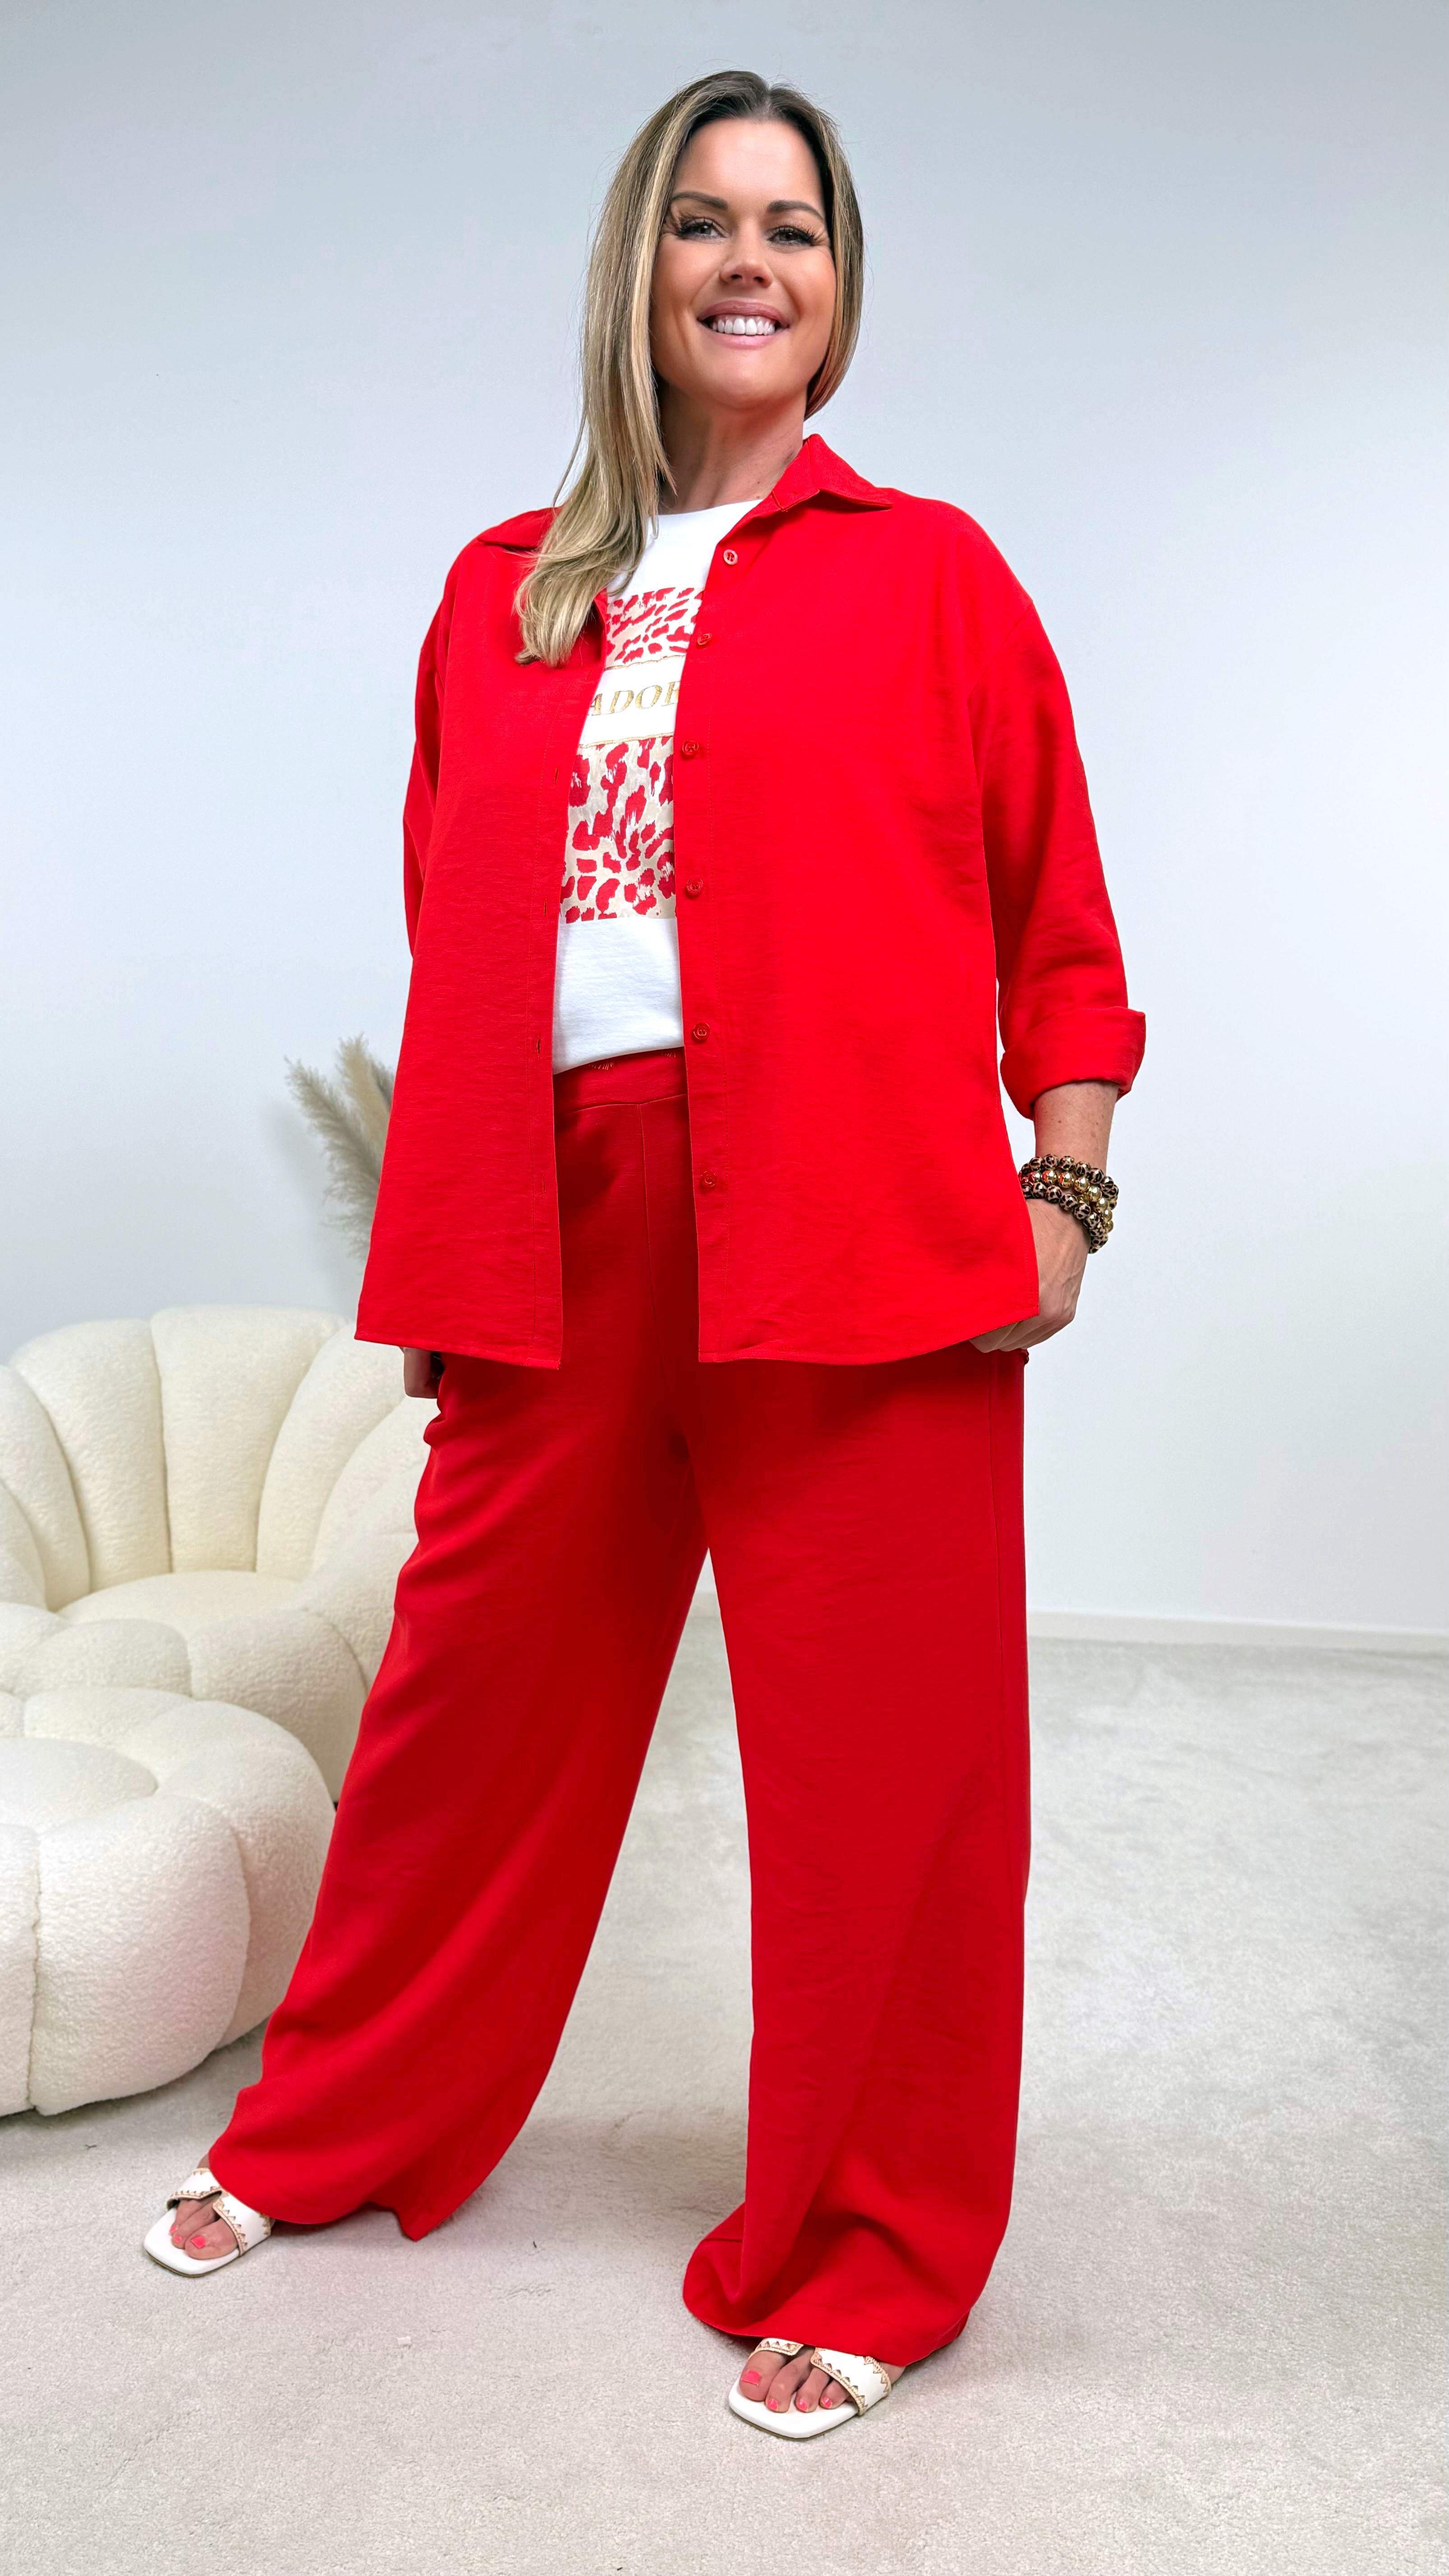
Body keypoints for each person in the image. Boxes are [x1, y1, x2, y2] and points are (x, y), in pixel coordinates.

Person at [143, 69, 1145, 2440]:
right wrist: (451, 1254)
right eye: (705, 221)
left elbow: (1057, 915)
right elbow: (455, 945)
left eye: (793, 227)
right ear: (638, 264)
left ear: (839, 287)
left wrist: (1067, 1184)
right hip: (562, 1226)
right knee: (463, 1724)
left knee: (889, 1778)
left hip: (863, 1224)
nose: (749, 263)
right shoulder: (500, 588)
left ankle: (874, 2255)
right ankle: (333, 2128)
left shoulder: (932, 573)